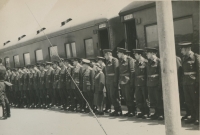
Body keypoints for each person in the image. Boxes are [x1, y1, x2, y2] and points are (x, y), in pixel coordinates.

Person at [178, 42, 199, 125]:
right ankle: (193, 117)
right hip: (186, 83)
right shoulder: (184, 58)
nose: (181, 51)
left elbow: (199, 71)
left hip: (193, 83)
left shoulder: (196, 57)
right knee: (188, 101)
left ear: (187, 49)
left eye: (182, 49)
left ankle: (198, 118)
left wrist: (197, 82)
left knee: (196, 101)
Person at [145, 47, 164, 120]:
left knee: (158, 98)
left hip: (156, 83)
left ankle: (161, 113)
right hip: (150, 83)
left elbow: (160, 74)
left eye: (148, 53)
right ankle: (156, 113)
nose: (147, 55)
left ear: (153, 53)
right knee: (153, 99)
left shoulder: (159, 61)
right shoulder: (148, 62)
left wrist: (160, 84)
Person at [117, 47, 136, 117]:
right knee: (125, 96)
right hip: (122, 81)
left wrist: (131, 82)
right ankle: (129, 110)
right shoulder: (120, 60)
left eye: (118, 53)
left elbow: (132, 71)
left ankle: (133, 111)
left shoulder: (129, 60)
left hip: (128, 80)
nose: (117, 54)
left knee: (129, 96)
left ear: (122, 53)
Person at [103, 49, 122, 116]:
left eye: (105, 55)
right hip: (108, 81)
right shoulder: (108, 61)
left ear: (109, 54)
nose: (104, 56)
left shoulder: (114, 60)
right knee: (110, 96)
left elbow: (116, 72)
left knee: (114, 95)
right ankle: (116, 110)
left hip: (113, 81)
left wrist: (115, 81)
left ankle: (118, 110)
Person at [133, 49, 149, 119]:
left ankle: (147, 112)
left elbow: (147, 73)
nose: (135, 56)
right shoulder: (136, 62)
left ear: (140, 55)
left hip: (143, 82)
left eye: (136, 55)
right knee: (138, 98)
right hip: (137, 83)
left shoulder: (145, 62)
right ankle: (142, 111)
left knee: (145, 97)